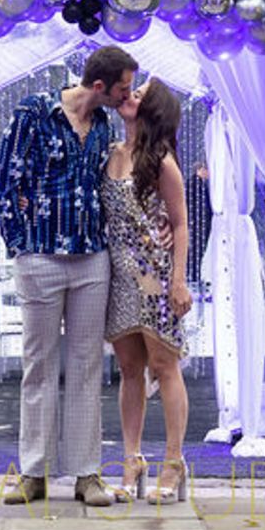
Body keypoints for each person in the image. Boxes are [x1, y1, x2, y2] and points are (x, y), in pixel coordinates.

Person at [0, 44, 137, 507]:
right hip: (39, 257)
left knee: (86, 366)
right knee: (38, 365)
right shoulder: (34, 111)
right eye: (123, 88)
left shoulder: (104, 126)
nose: (125, 95)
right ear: (100, 86)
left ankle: (86, 474)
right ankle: (33, 473)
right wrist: (20, 243)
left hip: (91, 258)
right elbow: (6, 181)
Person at [104, 78, 192, 504]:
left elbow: (180, 223)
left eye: (137, 95)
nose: (128, 97)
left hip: (155, 274)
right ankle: (132, 458)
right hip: (118, 275)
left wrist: (178, 280)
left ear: (151, 110)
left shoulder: (162, 162)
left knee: (164, 363)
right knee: (129, 367)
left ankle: (174, 462)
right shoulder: (110, 154)